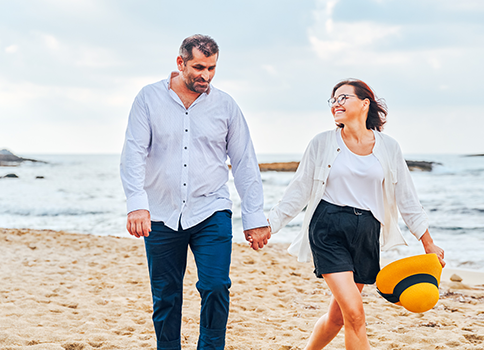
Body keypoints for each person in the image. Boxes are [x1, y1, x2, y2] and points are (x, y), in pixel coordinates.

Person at [268, 79, 445, 350]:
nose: (336, 103)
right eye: (333, 100)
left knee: (338, 317)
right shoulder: (322, 142)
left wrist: (427, 241)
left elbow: (406, 197)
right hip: (329, 229)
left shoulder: (389, 147)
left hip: (367, 233)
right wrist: (270, 225)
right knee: (355, 313)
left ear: (364, 104)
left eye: (343, 98)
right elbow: (299, 189)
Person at [120, 34, 271, 350]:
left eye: (212, 68)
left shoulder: (226, 106)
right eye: (199, 67)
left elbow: (244, 161)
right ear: (180, 63)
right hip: (160, 213)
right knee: (166, 294)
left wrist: (254, 217)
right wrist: (137, 204)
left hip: (211, 210)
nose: (206, 75)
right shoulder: (148, 98)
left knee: (216, 286)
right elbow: (133, 152)